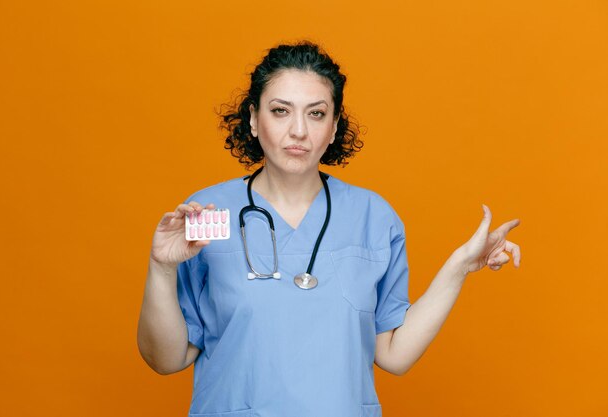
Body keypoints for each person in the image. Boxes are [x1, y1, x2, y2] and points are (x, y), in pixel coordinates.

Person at [137, 42, 521, 417]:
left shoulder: (373, 216)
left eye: (316, 114)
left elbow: (394, 355)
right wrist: (161, 266)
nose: (299, 130)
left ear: (335, 126)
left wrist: (459, 267)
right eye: (280, 111)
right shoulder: (207, 213)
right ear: (253, 119)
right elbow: (166, 359)